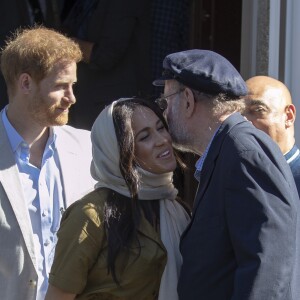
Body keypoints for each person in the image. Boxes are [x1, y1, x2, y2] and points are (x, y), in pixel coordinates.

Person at [153, 49, 300, 299]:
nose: (165, 113)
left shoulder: (244, 151)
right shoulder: (228, 149)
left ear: (188, 100)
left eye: (166, 102)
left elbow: (268, 264)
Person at [45, 98, 190, 300]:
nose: (162, 140)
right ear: (121, 152)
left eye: (161, 128)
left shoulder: (175, 208)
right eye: (145, 137)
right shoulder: (91, 215)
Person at [0, 27, 96, 300]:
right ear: (26, 83)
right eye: (60, 86)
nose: (72, 97)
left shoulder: (88, 148)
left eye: (73, 85)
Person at [60, 0, 152, 130]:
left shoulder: (122, 4)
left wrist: (64, 44)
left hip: (108, 105)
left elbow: (105, 55)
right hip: (86, 100)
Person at [244, 75, 300, 194]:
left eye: (258, 110)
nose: (244, 121)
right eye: (239, 113)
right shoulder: (234, 177)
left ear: (289, 116)